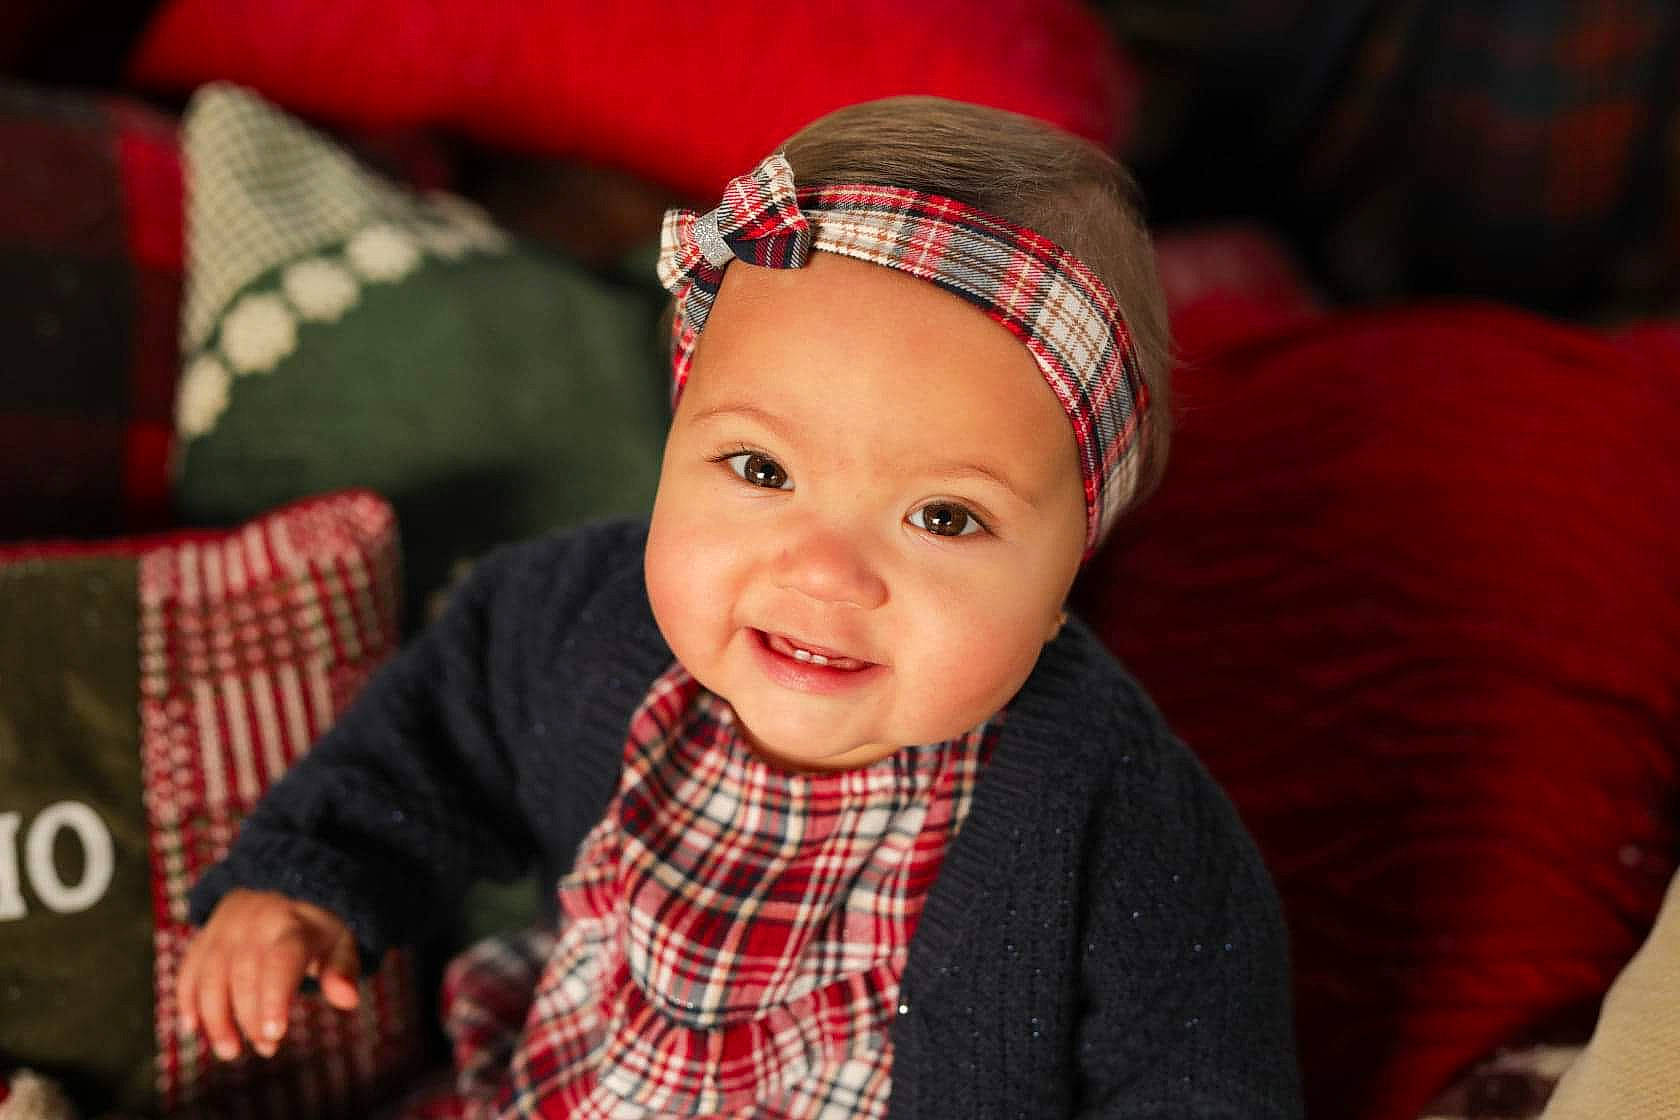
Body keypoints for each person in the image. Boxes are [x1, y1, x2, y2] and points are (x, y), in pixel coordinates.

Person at [175, 96, 1303, 1117]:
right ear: (676, 436)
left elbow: (1203, 1081)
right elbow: (432, 739)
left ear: (1070, 571)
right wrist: (303, 882)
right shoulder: (581, 621)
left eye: (945, 518)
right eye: (761, 471)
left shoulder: (1121, 820)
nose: (825, 572)